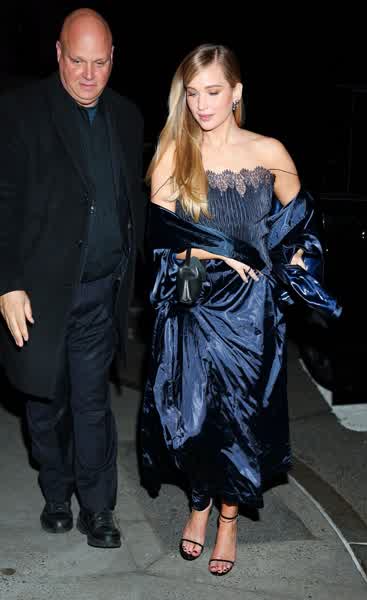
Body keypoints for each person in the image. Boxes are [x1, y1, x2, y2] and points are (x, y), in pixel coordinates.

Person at [140, 43, 341, 575]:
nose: (202, 105)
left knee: (239, 418)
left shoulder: (268, 151)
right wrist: (218, 253)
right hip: (192, 300)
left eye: (213, 92)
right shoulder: (174, 153)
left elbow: (302, 219)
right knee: (192, 415)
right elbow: (161, 241)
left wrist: (294, 255)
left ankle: (228, 518)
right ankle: (198, 504)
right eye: (192, 93)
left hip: (252, 310)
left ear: (236, 92)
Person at [0, 9, 145, 549]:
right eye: (78, 61)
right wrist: (7, 282)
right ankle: (56, 492)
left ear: (113, 58)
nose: (88, 75)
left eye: (100, 62)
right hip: (38, 295)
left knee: (91, 403)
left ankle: (98, 509)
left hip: (100, 290)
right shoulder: (20, 112)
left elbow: (136, 200)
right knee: (45, 403)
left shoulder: (127, 117)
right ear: (58, 54)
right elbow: (4, 200)